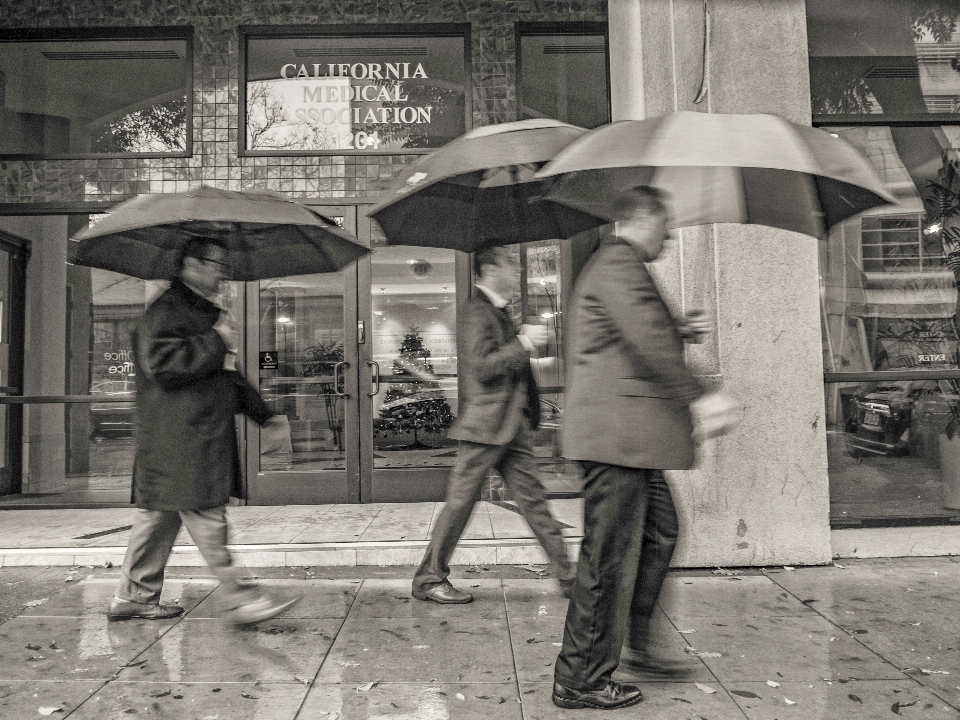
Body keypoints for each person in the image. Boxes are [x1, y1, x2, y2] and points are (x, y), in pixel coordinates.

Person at [552, 187, 737, 710]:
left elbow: (644, 330)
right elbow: (648, 342)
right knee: (607, 558)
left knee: (659, 532)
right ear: (644, 220)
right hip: (617, 442)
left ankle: (637, 640)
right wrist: (703, 396)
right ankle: (580, 678)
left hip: (631, 440)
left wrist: (679, 327)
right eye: (667, 225)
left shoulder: (621, 266)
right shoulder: (618, 263)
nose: (672, 236)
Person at [107, 238, 300, 624]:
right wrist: (217, 339)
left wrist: (264, 414)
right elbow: (162, 366)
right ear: (191, 265)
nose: (221, 271)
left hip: (185, 438)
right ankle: (241, 598)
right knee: (207, 516)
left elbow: (224, 376)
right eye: (215, 263)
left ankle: (134, 595)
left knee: (158, 518)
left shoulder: (198, 312)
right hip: (182, 440)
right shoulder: (166, 311)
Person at [412, 245, 576, 604]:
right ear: (489, 270)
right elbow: (482, 367)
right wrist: (522, 343)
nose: (515, 271)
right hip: (486, 426)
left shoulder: (497, 312)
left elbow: (507, 368)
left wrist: (529, 358)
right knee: (460, 503)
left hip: (508, 425)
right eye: (509, 264)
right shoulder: (476, 311)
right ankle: (428, 579)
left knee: (534, 502)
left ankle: (568, 577)